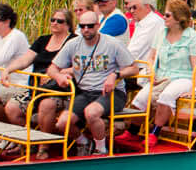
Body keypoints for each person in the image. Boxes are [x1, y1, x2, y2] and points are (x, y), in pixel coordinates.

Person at [44, 10, 137, 153]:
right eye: (82, 26)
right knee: (63, 123)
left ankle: (101, 149)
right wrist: (59, 77)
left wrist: (116, 74)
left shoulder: (112, 43)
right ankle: (84, 142)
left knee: (91, 113)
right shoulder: (73, 44)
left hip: (111, 92)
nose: (86, 30)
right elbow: (52, 68)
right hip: (85, 92)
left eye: (90, 26)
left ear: (98, 25)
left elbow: (134, 68)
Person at [0, 7, 74, 129]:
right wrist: (8, 70)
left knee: (46, 105)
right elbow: (25, 60)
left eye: (59, 21)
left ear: (68, 24)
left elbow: (79, 66)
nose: (54, 23)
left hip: (59, 89)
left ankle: (44, 146)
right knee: (12, 108)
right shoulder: (43, 40)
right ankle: (29, 137)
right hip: (36, 87)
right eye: (52, 20)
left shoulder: (74, 41)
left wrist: (53, 74)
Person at [144, 0, 196, 136]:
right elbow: (151, 57)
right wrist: (151, 70)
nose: (164, 18)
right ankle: (133, 131)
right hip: (162, 75)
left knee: (167, 96)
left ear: (178, 18)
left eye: (167, 15)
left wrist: (195, 87)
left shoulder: (193, 37)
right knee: (141, 99)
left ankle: (155, 133)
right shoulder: (161, 33)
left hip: (183, 77)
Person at [122, 0, 166, 64]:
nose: (131, 11)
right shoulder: (142, 22)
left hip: (145, 69)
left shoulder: (152, 22)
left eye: (134, 7)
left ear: (147, 7)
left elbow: (134, 51)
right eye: (130, 8)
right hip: (136, 66)